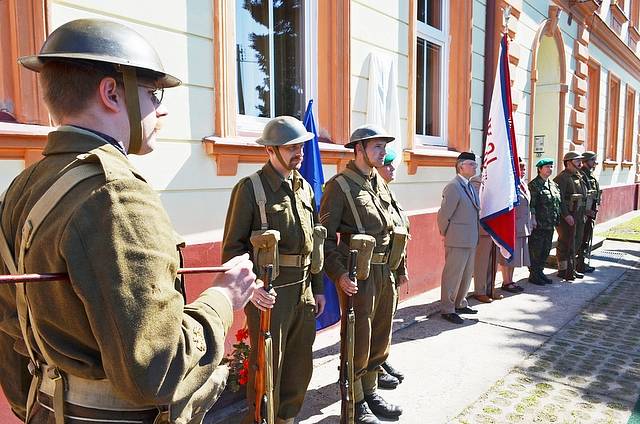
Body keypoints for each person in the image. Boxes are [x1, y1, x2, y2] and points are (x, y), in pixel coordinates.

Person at [0, 19, 257, 424]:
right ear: (111, 92)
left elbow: (10, 330)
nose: (162, 107)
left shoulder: (22, 187)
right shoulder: (117, 195)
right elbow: (159, 369)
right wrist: (224, 296)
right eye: (153, 93)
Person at [222, 116, 326, 424]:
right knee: (267, 366)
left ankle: (286, 419)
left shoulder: (305, 188)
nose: (299, 153)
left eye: (301, 146)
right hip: (270, 293)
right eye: (291, 147)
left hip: (304, 290)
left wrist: (318, 288)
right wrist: (252, 289)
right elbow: (232, 249)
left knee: (299, 364)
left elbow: (314, 242)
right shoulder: (250, 189)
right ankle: (260, 420)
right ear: (271, 150)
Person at [321, 125, 405, 424]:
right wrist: (340, 275)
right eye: (377, 148)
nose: (383, 153)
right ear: (358, 149)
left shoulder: (378, 183)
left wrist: (399, 270)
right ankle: (355, 402)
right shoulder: (339, 187)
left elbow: (393, 228)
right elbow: (326, 240)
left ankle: (369, 392)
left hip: (385, 272)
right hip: (359, 277)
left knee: (380, 337)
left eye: (384, 148)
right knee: (358, 339)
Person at [374, 149, 409, 390]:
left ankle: (381, 360)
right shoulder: (372, 193)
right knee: (375, 322)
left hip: (391, 265)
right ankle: (373, 366)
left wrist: (400, 268)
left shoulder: (387, 191)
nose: (392, 169)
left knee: (386, 320)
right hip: (374, 269)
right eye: (388, 165)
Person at [437, 152, 480, 325]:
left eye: (475, 165)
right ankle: (448, 308)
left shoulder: (469, 185)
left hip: (470, 238)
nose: (475, 167)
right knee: (453, 275)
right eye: (471, 164)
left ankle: (460, 303)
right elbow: (444, 215)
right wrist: (447, 233)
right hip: (457, 238)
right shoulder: (453, 187)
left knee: (466, 274)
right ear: (460, 166)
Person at [497, 157, 531, 291]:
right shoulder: (510, 184)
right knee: (508, 254)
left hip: (522, 225)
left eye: (524, 169)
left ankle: (511, 280)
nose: (522, 171)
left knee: (515, 256)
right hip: (513, 225)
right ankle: (506, 281)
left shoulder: (522, 184)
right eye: (520, 168)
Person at [553, 151, 587, 281]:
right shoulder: (562, 178)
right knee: (566, 243)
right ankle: (563, 269)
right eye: (577, 160)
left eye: (580, 160)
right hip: (567, 216)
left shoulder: (579, 176)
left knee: (576, 241)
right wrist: (566, 215)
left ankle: (571, 268)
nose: (580, 163)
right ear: (568, 163)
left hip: (578, 214)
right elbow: (559, 199)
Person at [470, 175, 503, 303]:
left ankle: (490, 289)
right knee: (482, 263)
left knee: (493, 261)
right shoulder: (477, 181)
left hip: (496, 228)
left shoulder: (499, 181)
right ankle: (480, 291)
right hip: (483, 228)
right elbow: (479, 202)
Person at [528, 158, 561, 285]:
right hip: (539, 224)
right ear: (540, 169)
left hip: (550, 223)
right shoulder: (534, 185)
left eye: (551, 167)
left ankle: (540, 272)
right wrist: (533, 219)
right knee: (536, 249)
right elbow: (532, 205)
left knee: (546, 249)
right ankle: (534, 274)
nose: (549, 169)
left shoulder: (552, 185)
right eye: (547, 167)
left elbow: (557, 203)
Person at [577, 151, 601, 273]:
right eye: (593, 160)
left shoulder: (590, 175)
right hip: (585, 213)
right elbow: (585, 195)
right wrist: (587, 211)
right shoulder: (582, 175)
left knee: (586, 238)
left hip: (591, 212)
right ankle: (579, 264)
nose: (595, 163)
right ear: (585, 161)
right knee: (582, 238)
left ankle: (582, 262)